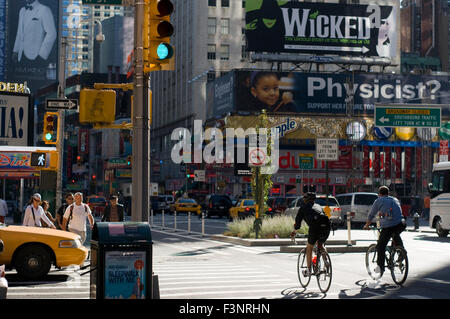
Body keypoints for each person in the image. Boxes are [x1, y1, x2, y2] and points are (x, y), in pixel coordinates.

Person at [363, 186, 406, 278]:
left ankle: (380, 267)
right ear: (388, 193)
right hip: (401, 224)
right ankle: (401, 251)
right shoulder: (395, 199)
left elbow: (371, 215)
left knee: (381, 246)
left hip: (389, 226)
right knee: (395, 235)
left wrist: (367, 225)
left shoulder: (378, 201)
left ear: (379, 194)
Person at [290, 192, 331, 277]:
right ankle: (326, 261)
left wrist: (294, 232)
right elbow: (326, 216)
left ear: (306, 199)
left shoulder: (303, 208)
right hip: (326, 228)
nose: (303, 199)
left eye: (304, 197)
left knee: (309, 247)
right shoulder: (319, 206)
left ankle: (308, 270)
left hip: (315, 228)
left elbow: (297, 224)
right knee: (320, 244)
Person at [12, 0, 56, 64]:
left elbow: (52, 33)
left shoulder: (44, 10)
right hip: (20, 55)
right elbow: (19, 32)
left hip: (36, 56)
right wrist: (16, 50)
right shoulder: (22, 10)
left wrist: (42, 54)